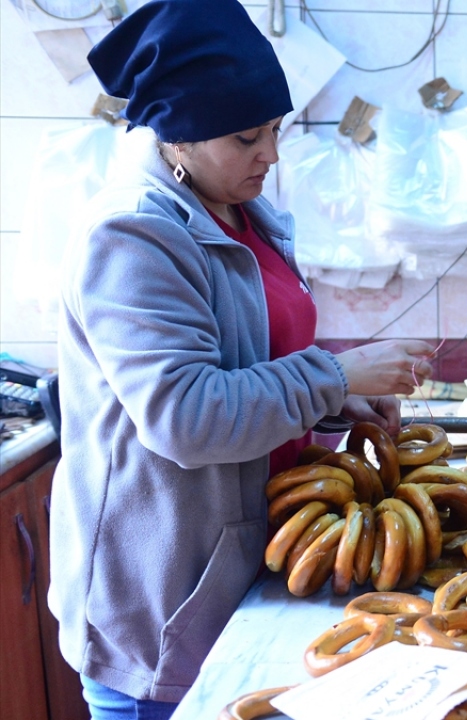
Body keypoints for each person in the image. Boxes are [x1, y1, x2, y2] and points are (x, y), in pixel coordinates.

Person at [47, 1, 432, 717]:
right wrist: (335, 374)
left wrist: (330, 400)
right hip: (170, 590)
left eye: (277, 130)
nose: (272, 155)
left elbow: (245, 360)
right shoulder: (132, 234)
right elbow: (186, 416)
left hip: (255, 559)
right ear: (177, 136)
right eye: (246, 136)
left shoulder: (238, 209)